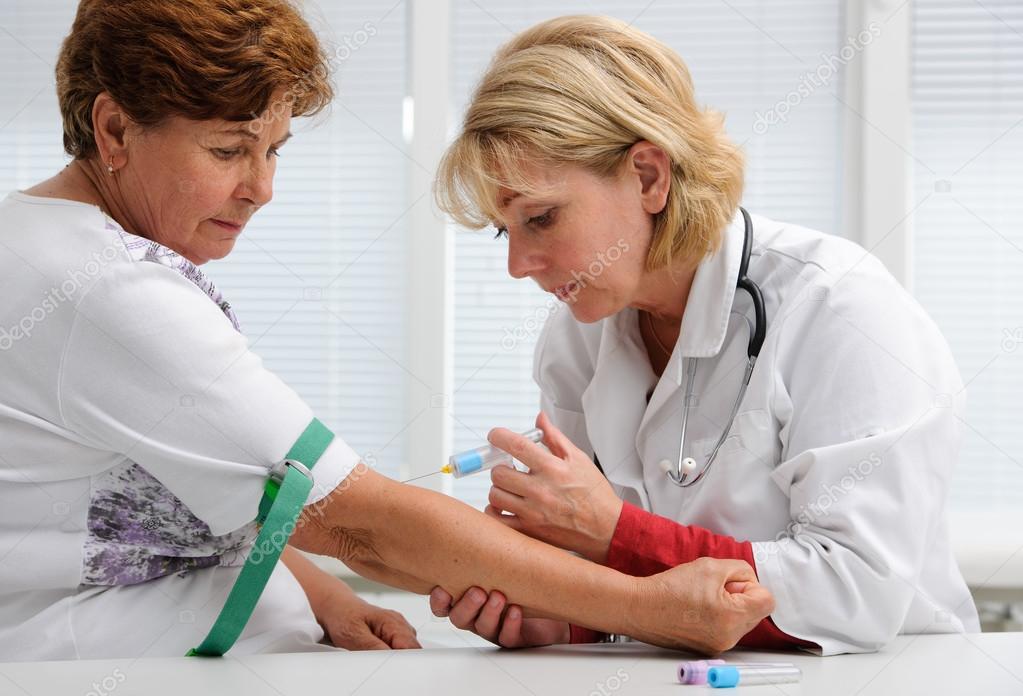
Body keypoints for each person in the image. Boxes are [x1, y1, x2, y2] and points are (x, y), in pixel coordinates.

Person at [0, 0, 774, 661]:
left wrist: (321, 592)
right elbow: (359, 521)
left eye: (273, 151)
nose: (262, 188)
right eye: (228, 150)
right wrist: (652, 609)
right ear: (113, 130)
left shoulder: (42, 243)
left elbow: (216, 488)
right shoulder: (103, 287)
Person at [430, 14, 979, 655]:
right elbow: (614, 582)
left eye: (541, 219)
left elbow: (852, 592)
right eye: (506, 231)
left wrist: (617, 534)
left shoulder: (839, 308)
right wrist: (563, 617)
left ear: (648, 177)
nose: (518, 264)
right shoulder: (576, 338)